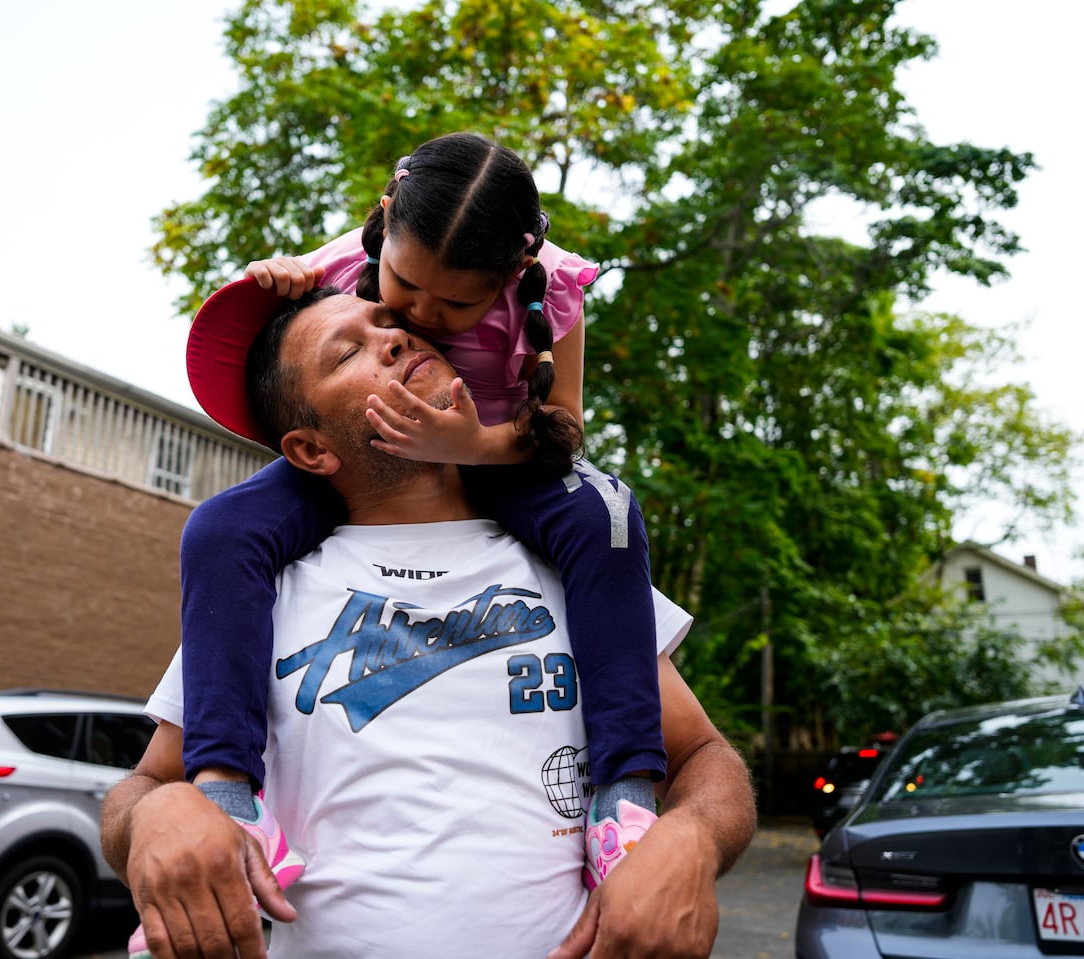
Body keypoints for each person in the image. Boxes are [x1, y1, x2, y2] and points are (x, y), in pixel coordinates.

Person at [103, 282, 756, 959]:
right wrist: (154, 814)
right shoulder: (258, 594)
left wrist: (692, 838)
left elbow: (705, 758)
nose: (394, 337)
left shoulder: (579, 571)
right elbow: (147, 783)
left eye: (390, 322)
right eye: (347, 352)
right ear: (310, 450)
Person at [180, 132, 666, 891]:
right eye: (404, 287)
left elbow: (565, 429)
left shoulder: (553, 293)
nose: (420, 316)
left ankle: (623, 798)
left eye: (456, 303)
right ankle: (228, 793)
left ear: (512, 272)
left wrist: (472, 444)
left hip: (502, 457)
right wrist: (280, 276)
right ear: (384, 223)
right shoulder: (345, 264)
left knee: (607, 511)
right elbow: (296, 338)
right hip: (370, 465)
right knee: (218, 526)